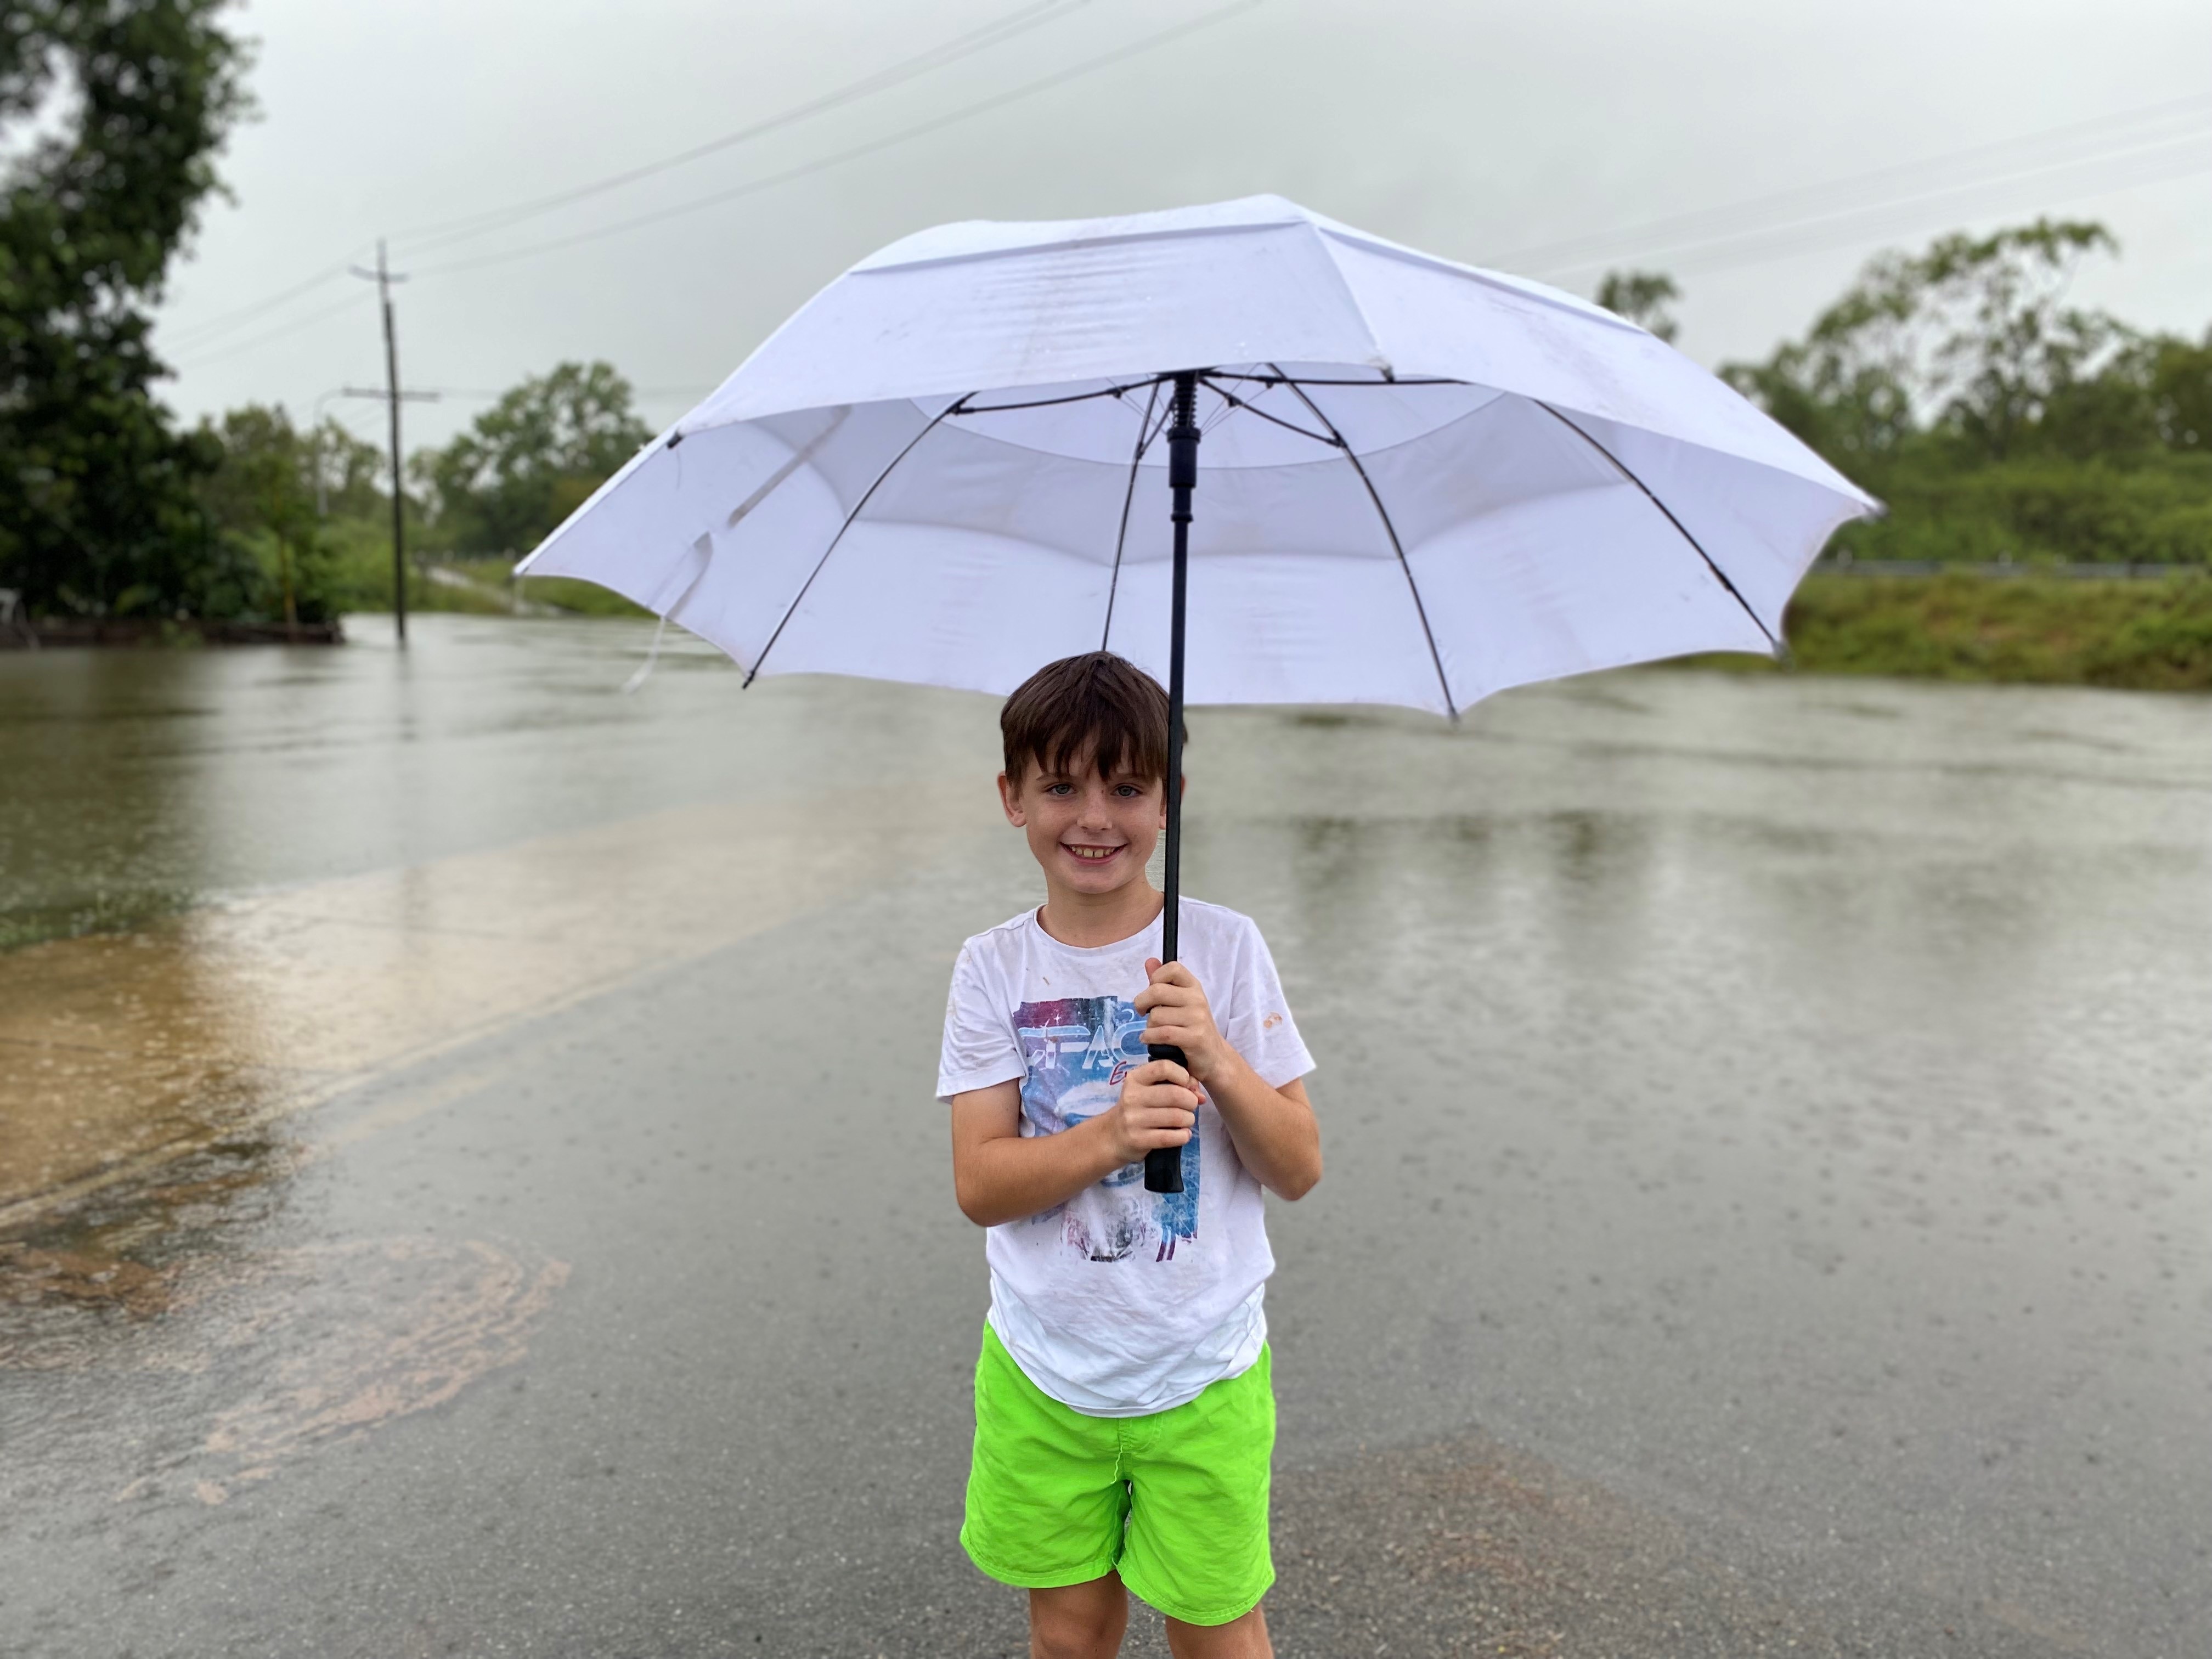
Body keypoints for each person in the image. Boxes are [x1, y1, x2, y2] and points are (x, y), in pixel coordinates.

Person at [939, 651, 1323, 1659]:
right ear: (1012, 797)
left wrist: (1219, 1060)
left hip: (1202, 1370)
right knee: (1069, 1632)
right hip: (1044, 1374)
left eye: (1128, 786)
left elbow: (1297, 1167)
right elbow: (981, 1184)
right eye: (1060, 786)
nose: (1095, 817)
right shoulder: (992, 968)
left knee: (1216, 1627)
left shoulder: (1225, 950)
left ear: (1172, 800)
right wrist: (1110, 1133)